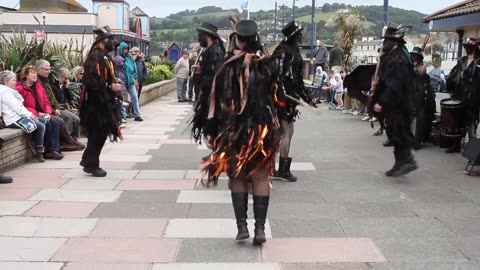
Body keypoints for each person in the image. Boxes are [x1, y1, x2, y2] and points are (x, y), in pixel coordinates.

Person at [198, 20, 279, 245]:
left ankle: (242, 227)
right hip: (262, 130)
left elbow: (213, 101)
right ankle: (260, 229)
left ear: (238, 39)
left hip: (233, 130)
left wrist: (210, 130)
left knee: (237, 175)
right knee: (261, 176)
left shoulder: (226, 66)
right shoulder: (268, 64)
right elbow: (277, 97)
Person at [371, 25, 418, 177]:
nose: (384, 44)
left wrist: (382, 102)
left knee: (399, 132)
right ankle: (400, 162)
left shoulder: (398, 59)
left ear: (395, 43)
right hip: (396, 104)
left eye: (387, 41)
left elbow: (395, 84)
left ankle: (407, 161)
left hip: (400, 104)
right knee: (394, 132)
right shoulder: (393, 56)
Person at [271, 21, 315, 182]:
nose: (301, 36)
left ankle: (276, 167)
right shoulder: (284, 52)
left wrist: (306, 97)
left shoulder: (292, 50)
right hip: (282, 99)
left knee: (286, 132)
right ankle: (280, 170)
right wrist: (282, 93)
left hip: (289, 97)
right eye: (299, 34)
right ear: (293, 36)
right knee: (285, 132)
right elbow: (279, 76)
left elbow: (297, 79)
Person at [79, 26, 123, 177]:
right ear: (101, 42)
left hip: (102, 103)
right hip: (95, 105)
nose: (112, 42)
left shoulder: (103, 56)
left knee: (99, 134)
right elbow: (92, 82)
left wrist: (113, 84)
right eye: (109, 40)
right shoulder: (96, 57)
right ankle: (91, 164)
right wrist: (111, 86)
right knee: (98, 133)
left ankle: (88, 160)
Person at [16, 66, 64, 161]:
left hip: (43, 112)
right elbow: (21, 106)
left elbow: (46, 101)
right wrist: (38, 113)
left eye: (35, 73)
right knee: (48, 124)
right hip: (32, 114)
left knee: (55, 122)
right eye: (32, 73)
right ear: (26, 75)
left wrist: (47, 112)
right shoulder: (20, 88)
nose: (35, 75)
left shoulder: (39, 86)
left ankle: (53, 149)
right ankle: (46, 150)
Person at [0, 70, 49, 164]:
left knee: (42, 121)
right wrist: (30, 115)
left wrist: (31, 115)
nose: (16, 82)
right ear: (6, 82)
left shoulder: (8, 91)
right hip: (13, 120)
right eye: (13, 80)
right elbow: (17, 107)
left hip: (19, 117)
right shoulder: (6, 93)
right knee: (40, 126)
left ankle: (34, 140)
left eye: (15, 80)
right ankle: (39, 151)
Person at [35, 60, 83, 151]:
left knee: (75, 118)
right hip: (47, 111)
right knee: (62, 119)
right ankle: (65, 142)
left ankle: (71, 140)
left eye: (49, 69)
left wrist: (66, 88)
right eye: (46, 69)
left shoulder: (45, 82)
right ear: (38, 70)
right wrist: (52, 110)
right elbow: (46, 101)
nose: (49, 71)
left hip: (55, 108)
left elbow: (53, 99)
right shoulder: (49, 84)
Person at [190, 22, 225, 143]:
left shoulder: (215, 51)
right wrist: (201, 70)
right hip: (209, 94)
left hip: (214, 97)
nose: (199, 38)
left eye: (201, 35)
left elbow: (217, 74)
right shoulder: (210, 50)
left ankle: (217, 156)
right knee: (210, 129)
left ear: (208, 36)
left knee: (213, 128)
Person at [445, 38, 480, 153]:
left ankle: (472, 151)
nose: (466, 49)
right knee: (458, 122)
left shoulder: (479, 62)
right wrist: (449, 81)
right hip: (459, 96)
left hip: (472, 98)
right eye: (466, 47)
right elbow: (453, 74)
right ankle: (456, 145)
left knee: (471, 123)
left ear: (475, 49)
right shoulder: (462, 60)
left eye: (469, 47)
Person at [410, 47, 435, 150]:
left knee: (419, 119)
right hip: (410, 96)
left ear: (420, 58)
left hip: (420, 97)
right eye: (413, 56)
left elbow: (421, 72)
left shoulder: (422, 67)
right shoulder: (409, 66)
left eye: (416, 57)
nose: (414, 58)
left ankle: (417, 142)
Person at [51, 68, 82, 142]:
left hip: (64, 108)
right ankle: (66, 140)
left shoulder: (63, 86)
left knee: (77, 119)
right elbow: (56, 98)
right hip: (57, 108)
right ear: (60, 77)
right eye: (65, 78)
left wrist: (67, 88)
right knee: (68, 117)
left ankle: (74, 138)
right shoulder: (53, 86)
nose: (66, 80)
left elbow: (70, 98)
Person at [117, 42, 143, 122]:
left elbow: (134, 69)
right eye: (124, 49)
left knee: (135, 97)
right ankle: (123, 115)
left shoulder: (130, 58)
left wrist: (134, 78)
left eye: (127, 49)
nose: (126, 50)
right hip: (122, 82)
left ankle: (137, 114)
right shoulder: (118, 58)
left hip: (130, 81)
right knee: (122, 99)